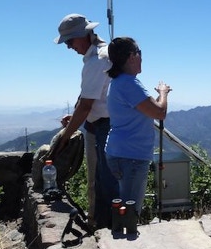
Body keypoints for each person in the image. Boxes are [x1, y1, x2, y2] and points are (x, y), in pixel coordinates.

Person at [53, 13, 120, 229]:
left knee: (104, 183)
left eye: (70, 41)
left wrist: (65, 137)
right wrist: (76, 117)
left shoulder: (97, 60)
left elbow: (86, 105)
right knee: (100, 181)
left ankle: (106, 229)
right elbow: (89, 96)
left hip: (104, 126)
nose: (69, 47)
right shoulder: (100, 55)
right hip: (101, 124)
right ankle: (101, 224)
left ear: (83, 35)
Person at [105, 37, 172, 218]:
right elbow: (160, 113)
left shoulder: (118, 82)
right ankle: (125, 234)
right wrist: (164, 93)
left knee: (123, 205)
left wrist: (158, 99)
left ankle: (120, 231)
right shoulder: (129, 83)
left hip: (120, 152)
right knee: (130, 211)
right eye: (140, 53)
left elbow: (147, 110)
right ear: (132, 56)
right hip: (131, 156)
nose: (142, 58)